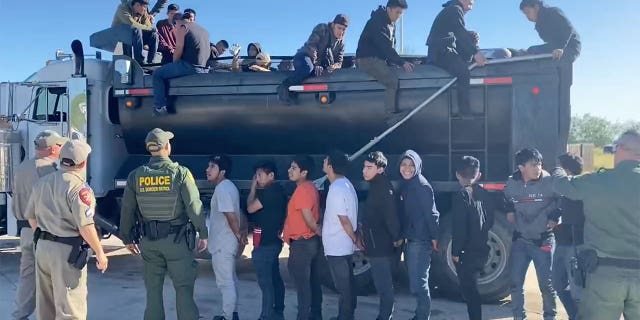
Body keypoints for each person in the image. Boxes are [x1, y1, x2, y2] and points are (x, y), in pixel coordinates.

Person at [119, 128, 208, 320]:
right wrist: (203, 232)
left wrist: (126, 237)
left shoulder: (135, 175)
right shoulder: (180, 173)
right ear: (167, 147)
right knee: (183, 289)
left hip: (149, 242)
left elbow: (127, 210)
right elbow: (194, 205)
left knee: (153, 292)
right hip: (177, 241)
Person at [553, 130, 640, 320]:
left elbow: (562, 186)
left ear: (624, 149)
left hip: (605, 275)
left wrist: (558, 169)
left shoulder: (598, 180)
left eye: (616, 148)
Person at [24, 140, 108, 319]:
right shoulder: (79, 188)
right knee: (70, 307)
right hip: (66, 251)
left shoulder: (43, 182)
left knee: (45, 304)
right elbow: (85, 225)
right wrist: (100, 252)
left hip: (42, 247)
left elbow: (31, 216)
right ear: (84, 162)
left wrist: (44, 235)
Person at [10, 130, 65, 320]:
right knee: (53, 279)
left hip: (25, 230)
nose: (61, 148)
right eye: (59, 145)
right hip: (45, 231)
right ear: (52, 148)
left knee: (27, 275)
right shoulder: (49, 170)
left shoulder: (21, 167)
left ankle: (20, 314)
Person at [519, 0, 580, 155]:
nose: (527, 17)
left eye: (527, 12)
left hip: (568, 47)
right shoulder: (539, 23)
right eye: (524, 14)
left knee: (537, 54)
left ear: (536, 6)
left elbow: (568, 30)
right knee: (533, 51)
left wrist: (561, 47)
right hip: (555, 47)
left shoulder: (553, 12)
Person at [504, 148, 558, 320]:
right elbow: (506, 198)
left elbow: (563, 199)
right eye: (534, 165)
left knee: (546, 285)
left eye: (540, 164)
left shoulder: (550, 181)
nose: (538, 168)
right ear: (521, 167)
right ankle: (519, 317)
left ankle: (550, 317)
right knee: (515, 283)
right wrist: (509, 210)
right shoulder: (512, 182)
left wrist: (555, 215)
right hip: (521, 240)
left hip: (543, 240)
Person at [451, 156, 496, 320]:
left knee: (470, 292)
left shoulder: (461, 196)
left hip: (466, 251)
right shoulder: (485, 194)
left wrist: (455, 251)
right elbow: (490, 220)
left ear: (457, 175)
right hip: (482, 247)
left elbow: (459, 228)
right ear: (479, 175)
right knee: (473, 289)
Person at [356, 0, 414, 126]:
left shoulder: (390, 24)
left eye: (401, 14)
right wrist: (401, 62)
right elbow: (384, 44)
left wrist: (395, 61)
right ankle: (390, 116)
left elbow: (390, 46)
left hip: (378, 58)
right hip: (367, 59)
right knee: (391, 80)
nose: (399, 16)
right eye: (397, 12)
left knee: (392, 74)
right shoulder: (378, 21)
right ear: (389, 9)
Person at [426, 0, 488, 117]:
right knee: (463, 72)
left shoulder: (450, 10)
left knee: (463, 59)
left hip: (442, 50)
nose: (470, 8)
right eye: (469, 3)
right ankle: (464, 111)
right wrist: (476, 53)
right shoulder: (455, 9)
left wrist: (471, 37)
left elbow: (458, 32)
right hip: (441, 52)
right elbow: (460, 32)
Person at [398, 150, 440, 320]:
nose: (407, 168)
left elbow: (432, 214)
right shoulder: (408, 184)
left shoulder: (421, 185)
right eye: (404, 164)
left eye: (411, 165)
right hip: (412, 238)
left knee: (419, 283)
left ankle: (422, 317)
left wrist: (434, 237)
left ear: (418, 167)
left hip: (421, 239)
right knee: (415, 282)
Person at [361, 151, 402, 320]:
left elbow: (390, 216)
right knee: (381, 283)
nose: (364, 170)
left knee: (384, 285)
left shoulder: (383, 188)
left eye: (369, 167)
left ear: (380, 169)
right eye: (364, 166)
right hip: (376, 243)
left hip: (381, 245)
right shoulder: (377, 185)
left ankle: (384, 316)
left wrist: (396, 237)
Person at [282, 155, 323, 320]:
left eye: (294, 168)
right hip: (309, 242)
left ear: (304, 172)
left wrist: (316, 229)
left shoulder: (302, 190)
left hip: (302, 243)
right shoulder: (310, 187)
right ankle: (315, 315)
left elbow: (308, 215)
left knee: (302, 287)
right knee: (312, 282)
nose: (289, 171)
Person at [247, 161, 287, 320]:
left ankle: (266, 316)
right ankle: (277, 312)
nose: (257, 178)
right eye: (256, 175)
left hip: (265, 243)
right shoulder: (278, 191)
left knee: (266, 283)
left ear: (271, 175)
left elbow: (250, 208)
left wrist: (252, 189)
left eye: (260, 175)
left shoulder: (269, 192)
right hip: (272, 241)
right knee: (274, 279)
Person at [278, 14, 349, 104]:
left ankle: (297, 91)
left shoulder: (341, 43)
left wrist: (334, 66)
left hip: (321, 63)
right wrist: (316, 65)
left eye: (344, 29)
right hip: (305, 56)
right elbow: (312, 47)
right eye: (339, 28)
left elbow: (339, 61)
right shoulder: (322, 29)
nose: (341, 32)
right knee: (308, 68)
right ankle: (285, 87)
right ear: (333, 25)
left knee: (322, 74)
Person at [322, 151, 359, 320]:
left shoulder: (335, 189)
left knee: (343, 287)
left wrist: (354, 238)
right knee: (348, 285)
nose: (323, 162)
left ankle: (345, 317)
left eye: (325, 160)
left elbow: (344, 220)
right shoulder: (346, 184)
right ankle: (346, 315)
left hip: (337, 246)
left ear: (330, 166)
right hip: (344, 245)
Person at [206, 155, 243, 320]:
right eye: (208, 166)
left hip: (223, 243)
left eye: (212, 167)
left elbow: (230, 215)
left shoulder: (222, 189)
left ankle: (228, 317)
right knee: (230, 280)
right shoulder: (228, 187)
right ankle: (231, 314)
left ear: (222, 172)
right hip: (226, 242)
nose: (207, 170)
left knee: (225, 283)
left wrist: (238, 234)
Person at [151, 13, 211, 116]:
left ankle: (160, 107)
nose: (175, 29)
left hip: (191, 66)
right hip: (205, 68)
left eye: (174, 26)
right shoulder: (204, 30)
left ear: (177, 21)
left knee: (157, 74)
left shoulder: (183, 27)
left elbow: (178, 48)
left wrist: (174, 64)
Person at [551, 153, 584, 320]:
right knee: (557, 284)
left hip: (576, 247)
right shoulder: (567, 190)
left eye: (561, 167)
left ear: (567, 170)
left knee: (577, 290)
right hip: (562, 243)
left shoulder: (578, 186)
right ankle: (574, 316)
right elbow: (562, 209)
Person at [112, 0, 165, 65]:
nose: (145, 9)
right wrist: (150, 28)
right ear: (137, 5)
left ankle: (151, 61)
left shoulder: (143, 11)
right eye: (144, 7)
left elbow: (148, 26)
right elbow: (131, 24)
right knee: (136, 29)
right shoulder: (123, 8)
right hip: (119, 36)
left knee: (154, 34)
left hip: (135, 37)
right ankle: (139, 61)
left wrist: (152, 29)